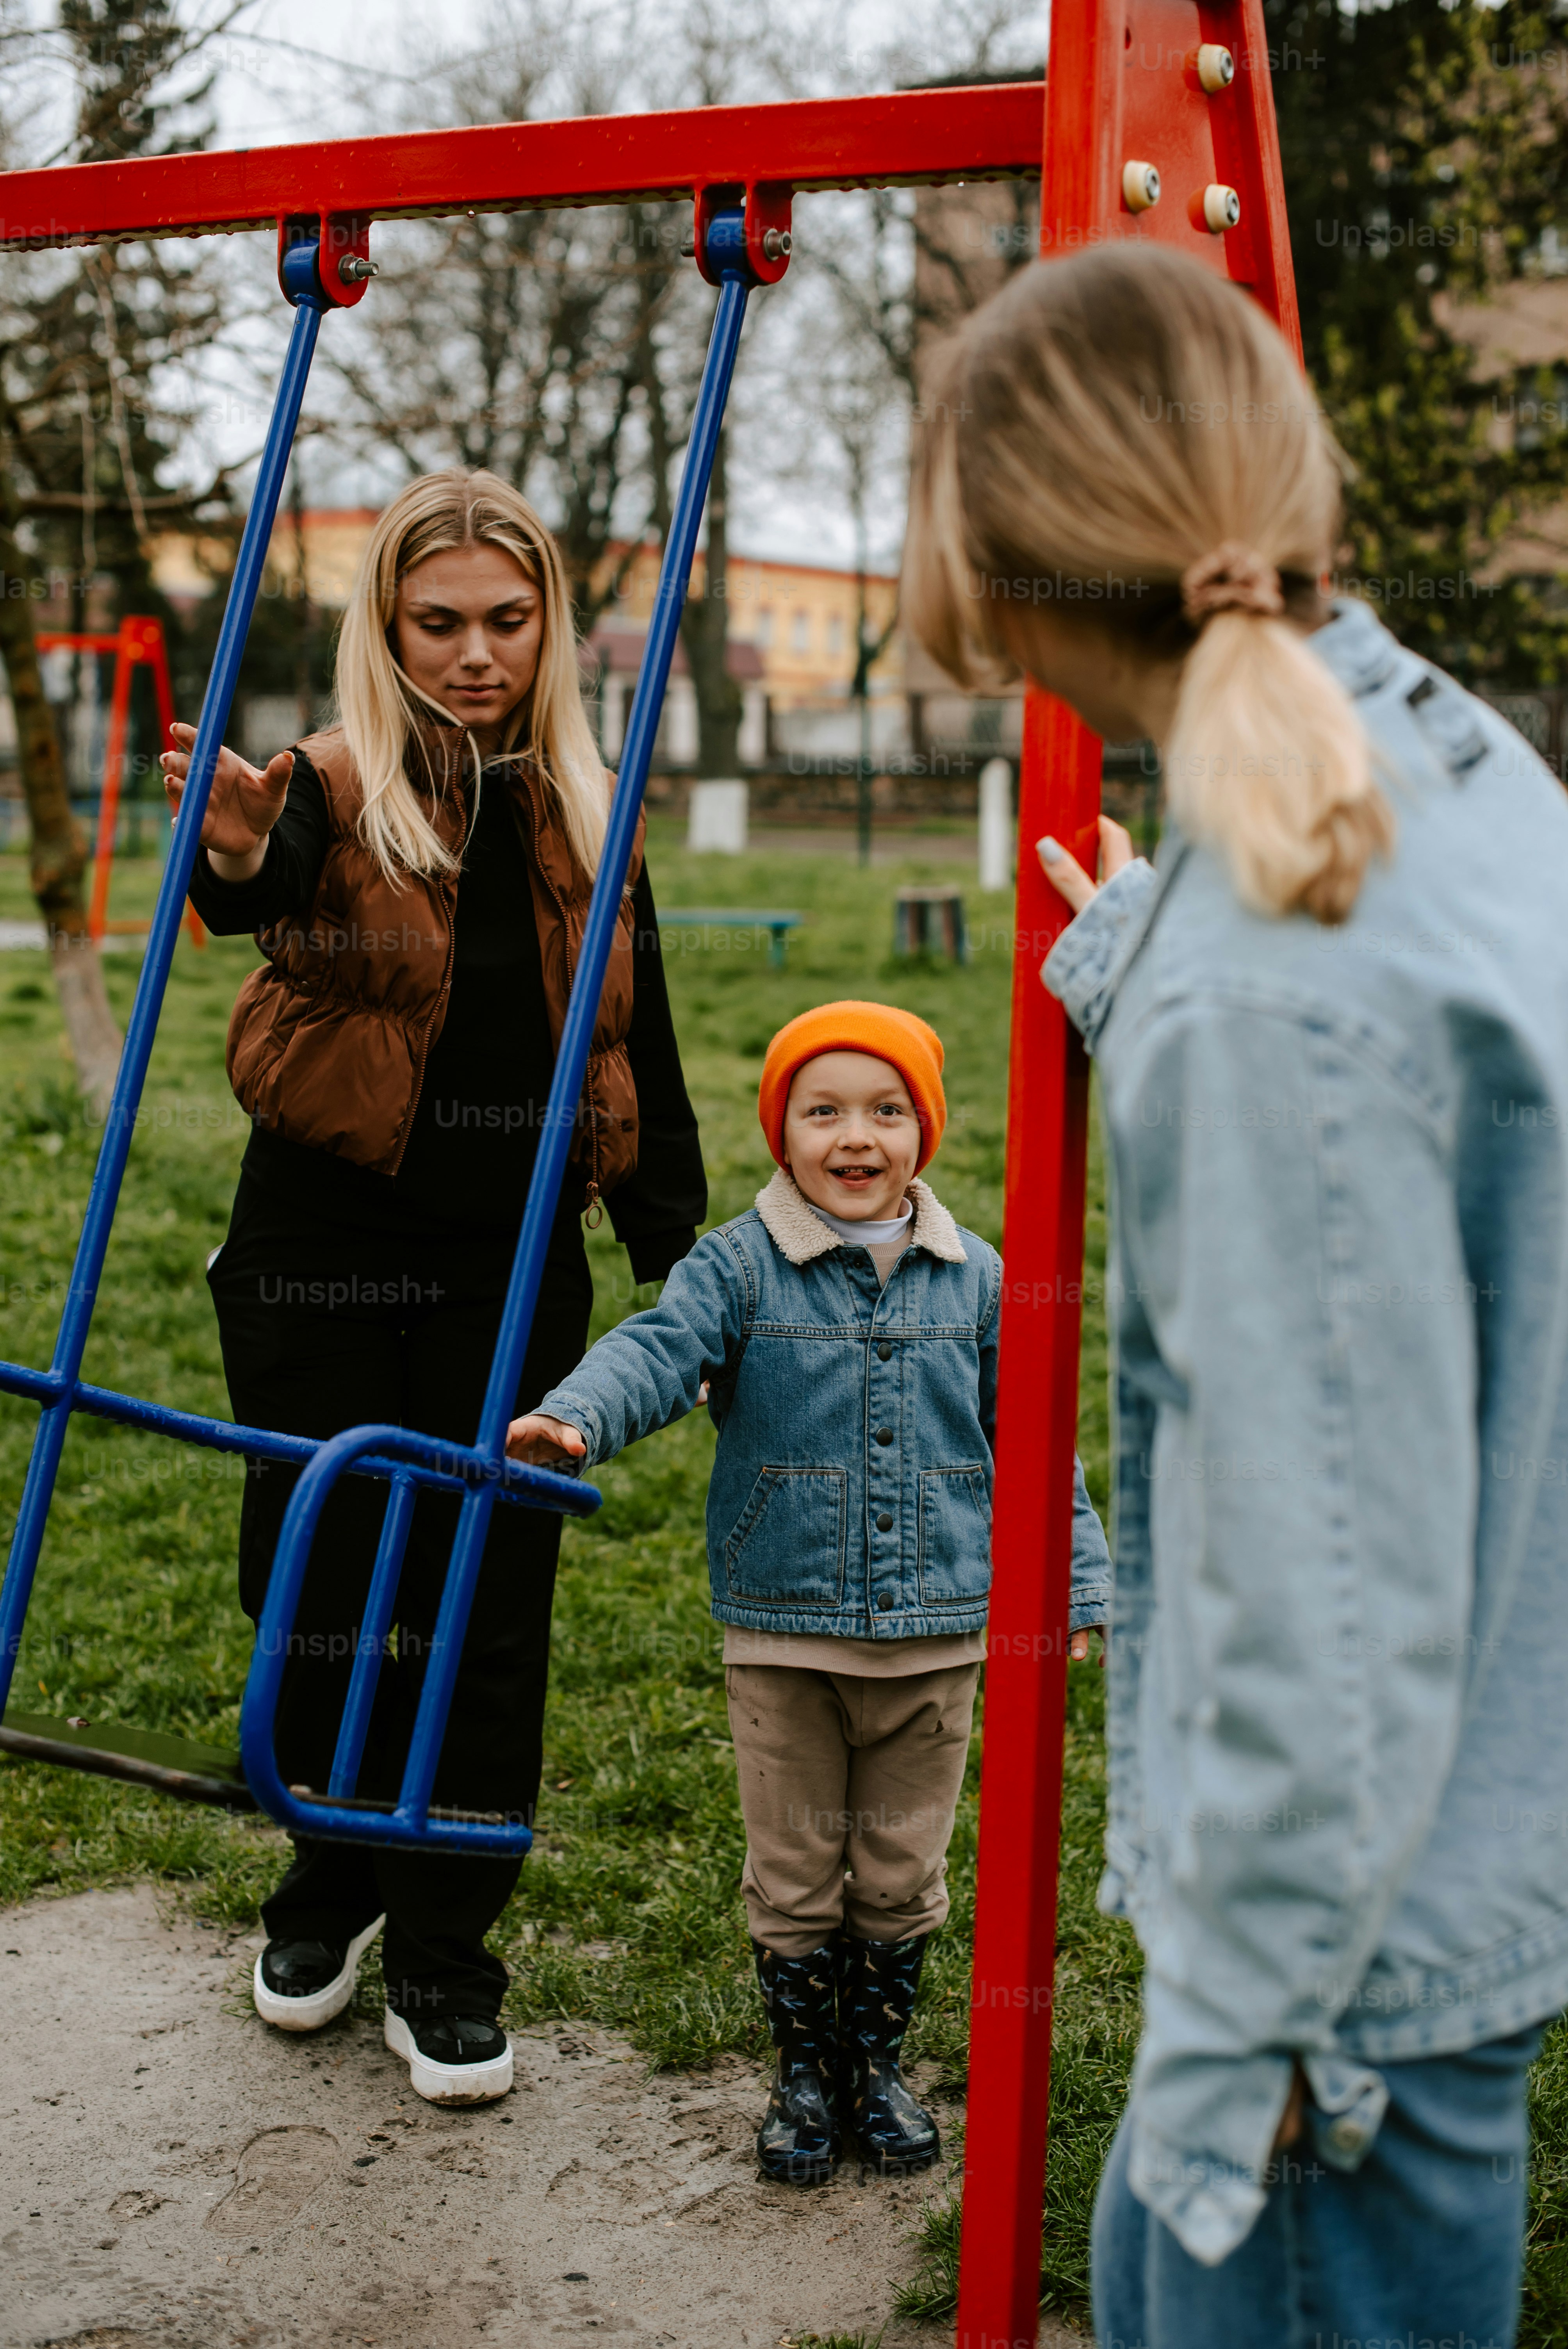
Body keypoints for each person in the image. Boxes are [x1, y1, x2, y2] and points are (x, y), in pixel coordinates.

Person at [903, 238, 1568, 2348]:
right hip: (1455, 1859)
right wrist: (1154, 960)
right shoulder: (1451, 767)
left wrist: (1243, 2047)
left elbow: (1321, 1604)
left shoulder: (1267, 1007)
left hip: (1334, 1997)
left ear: (1003, 570)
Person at [163, 469, 705, 2107]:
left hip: (509, 1259)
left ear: (545, 627)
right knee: (323, 1573)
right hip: (321, 1251)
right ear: (386, 633)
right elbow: (254, 885)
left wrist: (670, 1250)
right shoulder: (333, 784)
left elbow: (643, 1035)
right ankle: (327, 1883)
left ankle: (448, 1948)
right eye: (437, 623)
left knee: (481, 1597)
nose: (473, 653)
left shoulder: (587, 808)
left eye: (504, 620)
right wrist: (243, 859)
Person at [506, 1000, 1111, 2181]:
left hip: (935, 1642)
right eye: (822, 1109)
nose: (856, 1136)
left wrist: (1075, 1582)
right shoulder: (737, 1264)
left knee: (897, 1870)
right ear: (781, 1130)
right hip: (783, 1636)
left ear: (924, 1133)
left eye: (888, 1111)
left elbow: (1032, 1438)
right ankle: (800, 2073)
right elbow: (656, 1349)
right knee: (794, 1872)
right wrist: (577, 1416)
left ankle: (872, 2066)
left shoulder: (975, 1278)